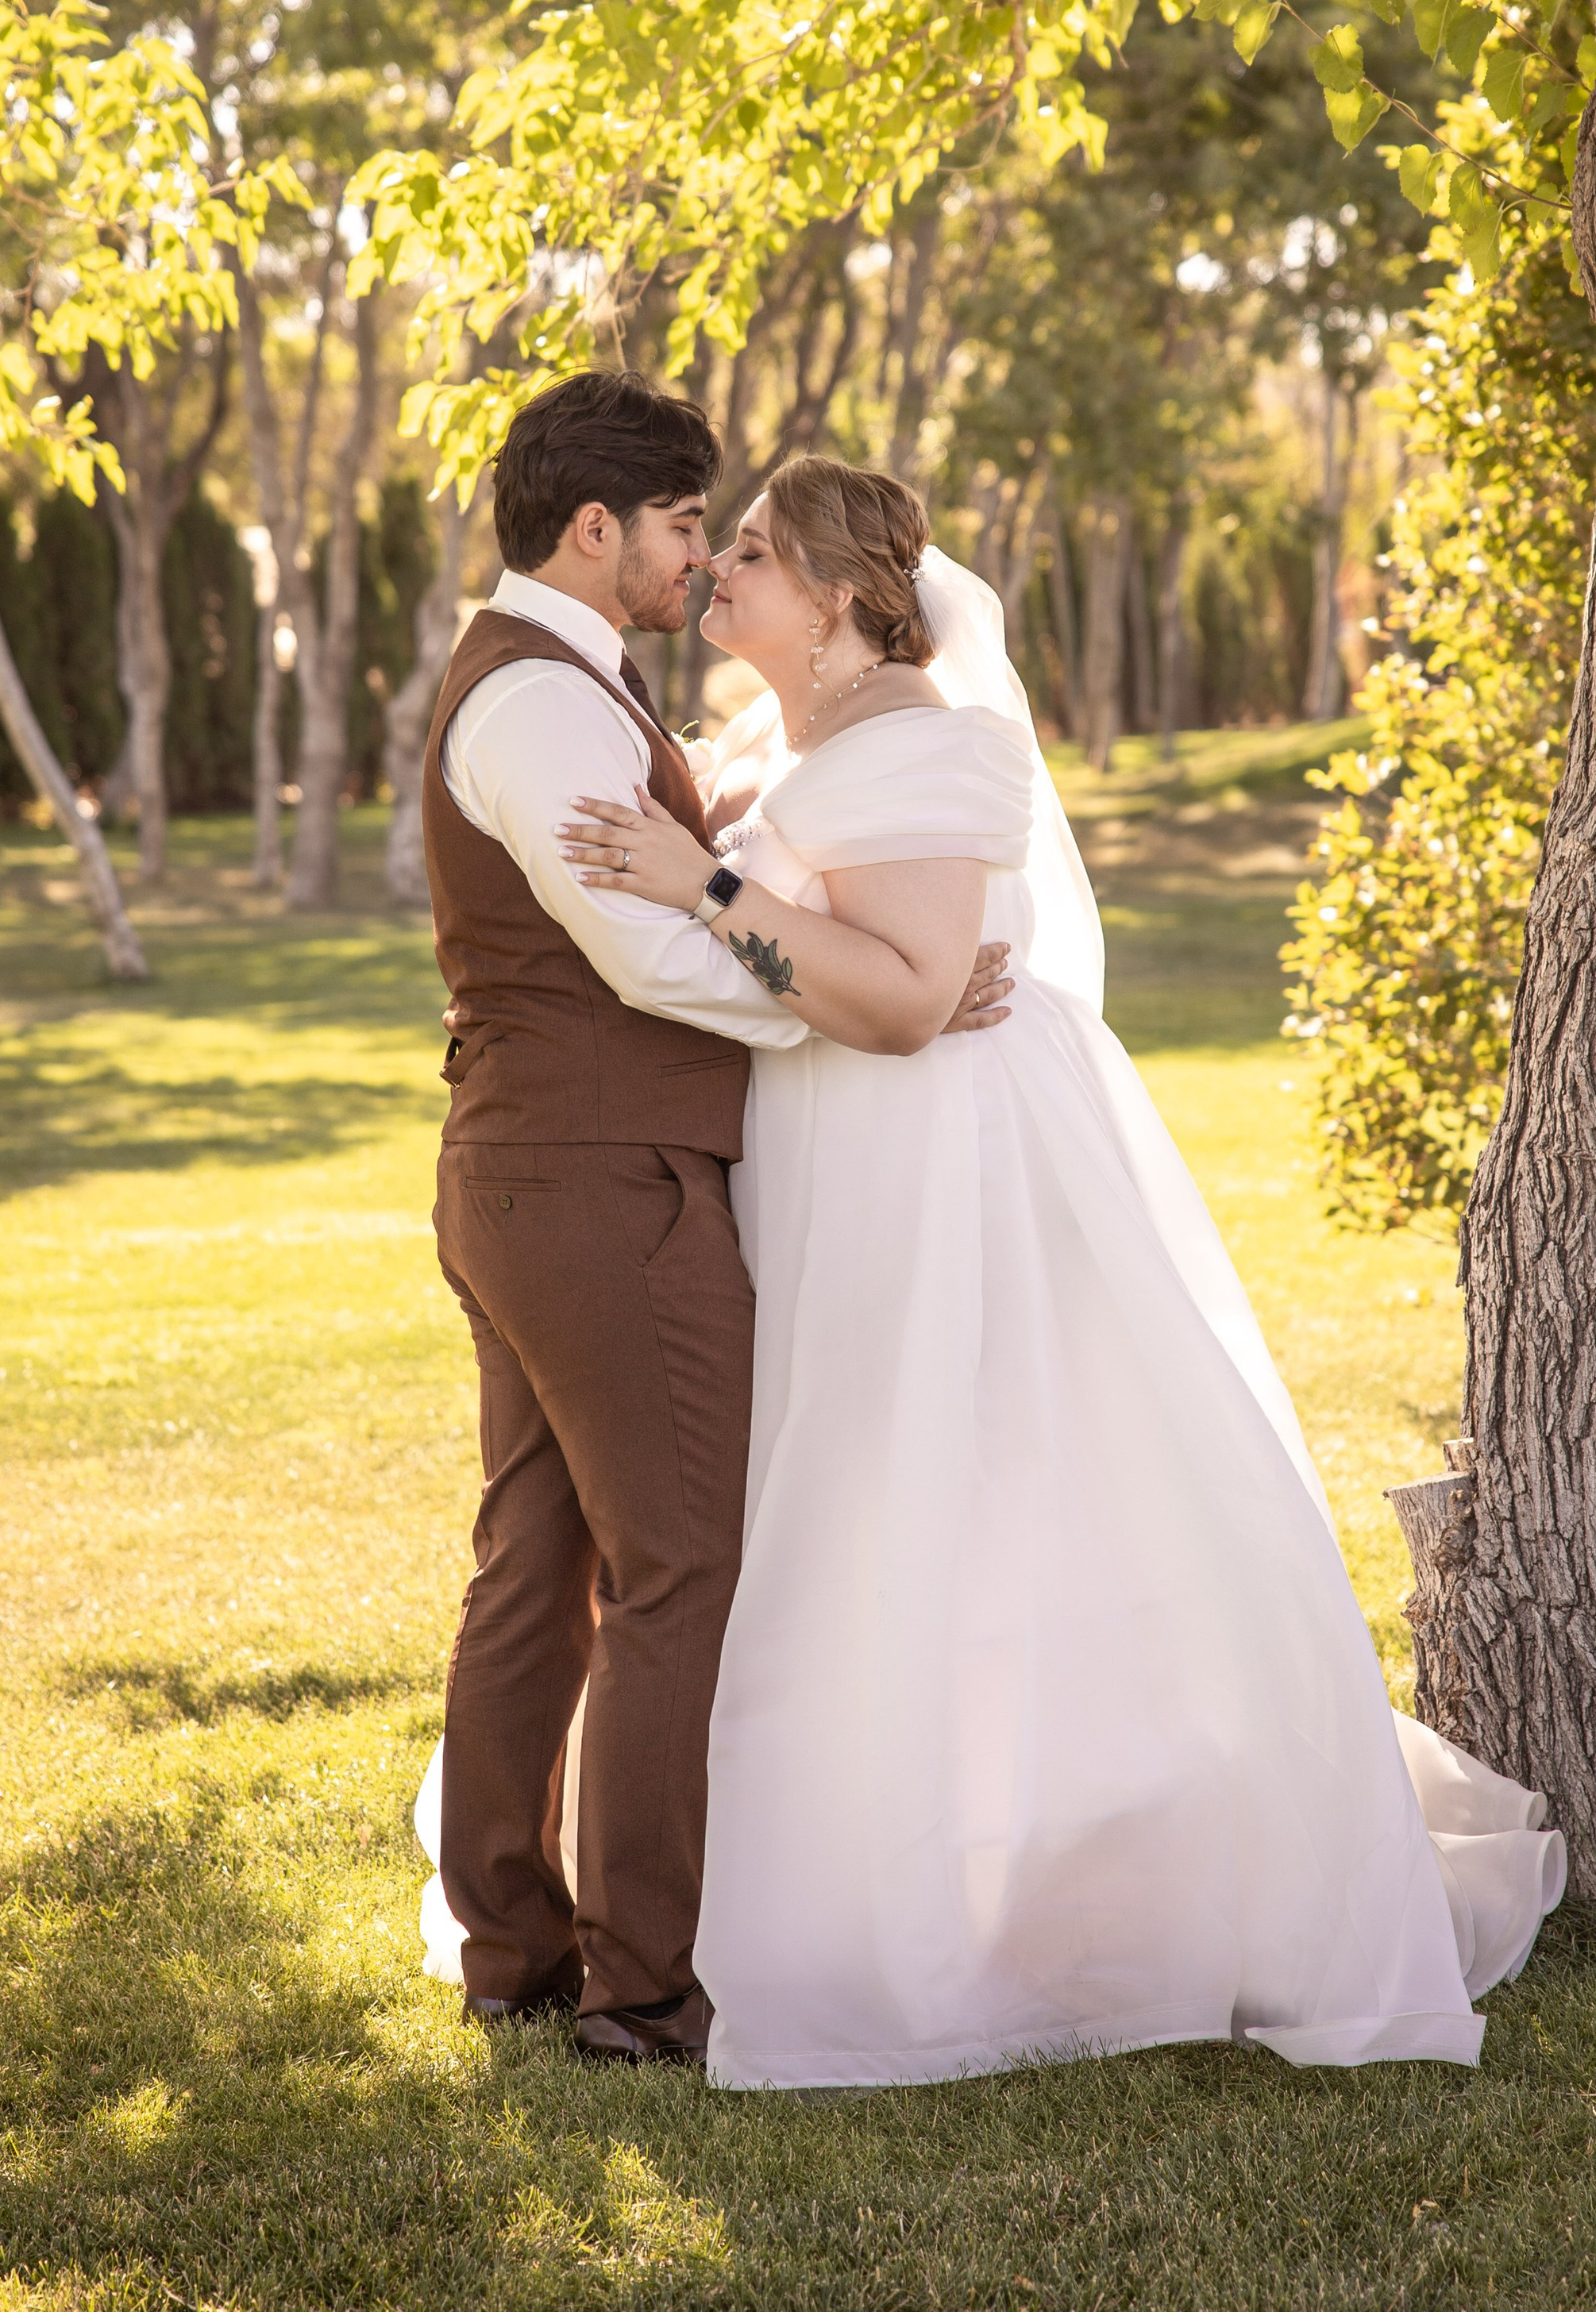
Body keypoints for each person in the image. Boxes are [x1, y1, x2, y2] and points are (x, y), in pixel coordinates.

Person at [553, 453, 1566, 2088]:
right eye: (718, 544)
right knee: (848, 1503)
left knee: (961, 1495)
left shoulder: (929, 741)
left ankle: (991, 1901)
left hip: (932, 1163)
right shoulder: (785, 736)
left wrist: (707, 883)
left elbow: (901, 994)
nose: (718, 569)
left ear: (833, 596)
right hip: (830, 1150)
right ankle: (874, 1865)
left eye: (749, 550)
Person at [415, 378, 1008, 2065]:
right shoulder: (536, 707)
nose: (697, 554)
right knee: (675, 1567)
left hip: (549, 1169)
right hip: (604, 1181)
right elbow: (646, 953)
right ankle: (641, 1986)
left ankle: (516, 1947)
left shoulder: (575, 687)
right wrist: (869, 997)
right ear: (593, 528)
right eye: (685, 525)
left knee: (540, 1569)